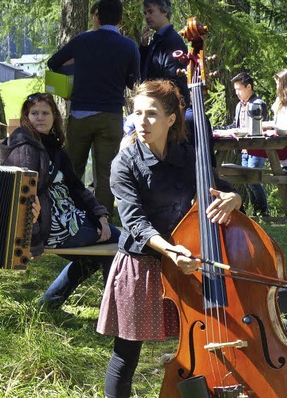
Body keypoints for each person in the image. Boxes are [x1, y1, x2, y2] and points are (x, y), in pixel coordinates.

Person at [96, 80, 241, 398]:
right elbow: (135, 222)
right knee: (126, 355)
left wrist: (234, 199)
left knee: (200, 343)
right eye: (136, 113)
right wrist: (170, 250)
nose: (141, 121)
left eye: (151, 114)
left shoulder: (188, 157)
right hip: (141, 264)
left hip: (184, 264)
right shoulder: (125, 163)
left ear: (171, 118)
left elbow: (222, 187)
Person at [0, 92, 120, 308]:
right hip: (49, 225)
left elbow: (76, 188)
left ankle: (48, 305)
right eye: (34, 113)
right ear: (26, 116)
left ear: (55, 116)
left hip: (67, 218)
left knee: (98, 250)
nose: (40, 117)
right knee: (118, 242)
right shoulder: (25, 148)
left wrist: (99, 215)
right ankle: (116, 311)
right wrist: (33, 241)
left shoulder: (54, 147)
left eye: (45, 113)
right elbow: (22, 199)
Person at [47, 0, 140, 213]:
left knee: (72, 168)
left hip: (80, 113)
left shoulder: (81, 41)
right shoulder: (129, 46)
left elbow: (53, 63)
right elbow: (133, 83)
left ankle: (69, 213)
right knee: (106, 172)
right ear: (121, 19)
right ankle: (103, 219)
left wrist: (80, 67)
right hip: (111, 116)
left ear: (96, 16)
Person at [230, 72, 270, 217]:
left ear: (249, 87)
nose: (237, 93)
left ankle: (264, 211)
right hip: (244, 149)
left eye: (239, 89)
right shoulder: (238, 106)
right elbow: (236, 124)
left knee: (253, 180)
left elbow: (261, 126)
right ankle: (257, 211)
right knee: (247, 181)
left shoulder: (258, 104)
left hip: (257, 148)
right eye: (235, 90)